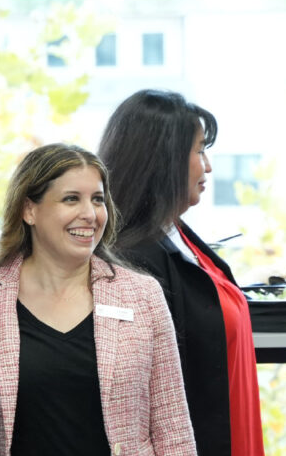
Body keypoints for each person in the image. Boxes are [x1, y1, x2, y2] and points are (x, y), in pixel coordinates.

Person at [0, 143, 195, 456]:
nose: (89, 214)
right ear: (29, 210)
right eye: (71, 199)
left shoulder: (142, 295)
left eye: (97, 200)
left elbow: (172, 428)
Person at [103, 91, 265, 456]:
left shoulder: (177, 234)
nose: (207, 167)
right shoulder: (132, 262)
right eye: (199, 151)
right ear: (165, 160)